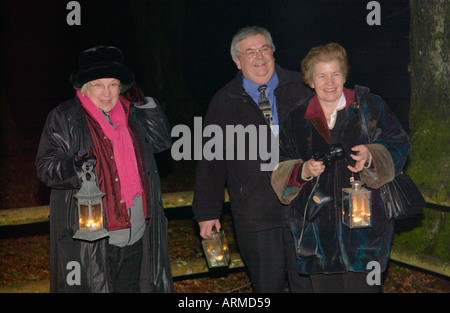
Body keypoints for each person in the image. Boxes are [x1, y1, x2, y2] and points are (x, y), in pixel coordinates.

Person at [271, 42, 411, 292]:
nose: (330, 81)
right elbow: (281, 165)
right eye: (321, 75)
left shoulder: (370, 106)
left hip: (367, 231)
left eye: (335, 73)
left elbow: (400, 143)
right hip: (317, 232)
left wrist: (372, 155)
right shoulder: (296, 119)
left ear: (344, 75)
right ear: (310, 81)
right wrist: (302, 171)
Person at [35, 46, 173, 293]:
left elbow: (162, 142)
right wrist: (75, 165)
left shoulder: (133, 113)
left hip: (137, 231)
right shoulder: (65, 117)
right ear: (85, 87)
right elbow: (46, 168)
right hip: (94, 237)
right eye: (99, 85)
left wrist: (145, 104)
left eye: (113, 84)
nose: (107, 93)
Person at [192, 26, 314, 292]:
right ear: (237, 61)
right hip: (255, 215)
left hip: (305, 210)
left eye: (264, 49)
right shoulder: (224, 101)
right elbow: (211, 163)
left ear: (273, 52)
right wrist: (207, 212)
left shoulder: (302, 88)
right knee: (266, 288)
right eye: (250, 52)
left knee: (308, 287)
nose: (259, 56)